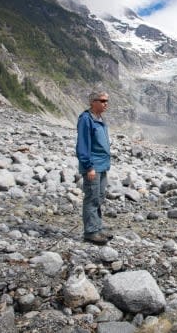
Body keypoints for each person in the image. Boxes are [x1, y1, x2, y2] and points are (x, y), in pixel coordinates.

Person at [76, 91, 111, 245]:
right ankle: (90, 232)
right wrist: (88, 166)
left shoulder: (100, 119)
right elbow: (82, 145)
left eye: (107, 101)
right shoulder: (86, 119)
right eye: (102, 100)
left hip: (102, 166)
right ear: (93, 102)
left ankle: (97, 227)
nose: (105, 104)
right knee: (91, 197)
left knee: (100, 196)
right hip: (93, 166)